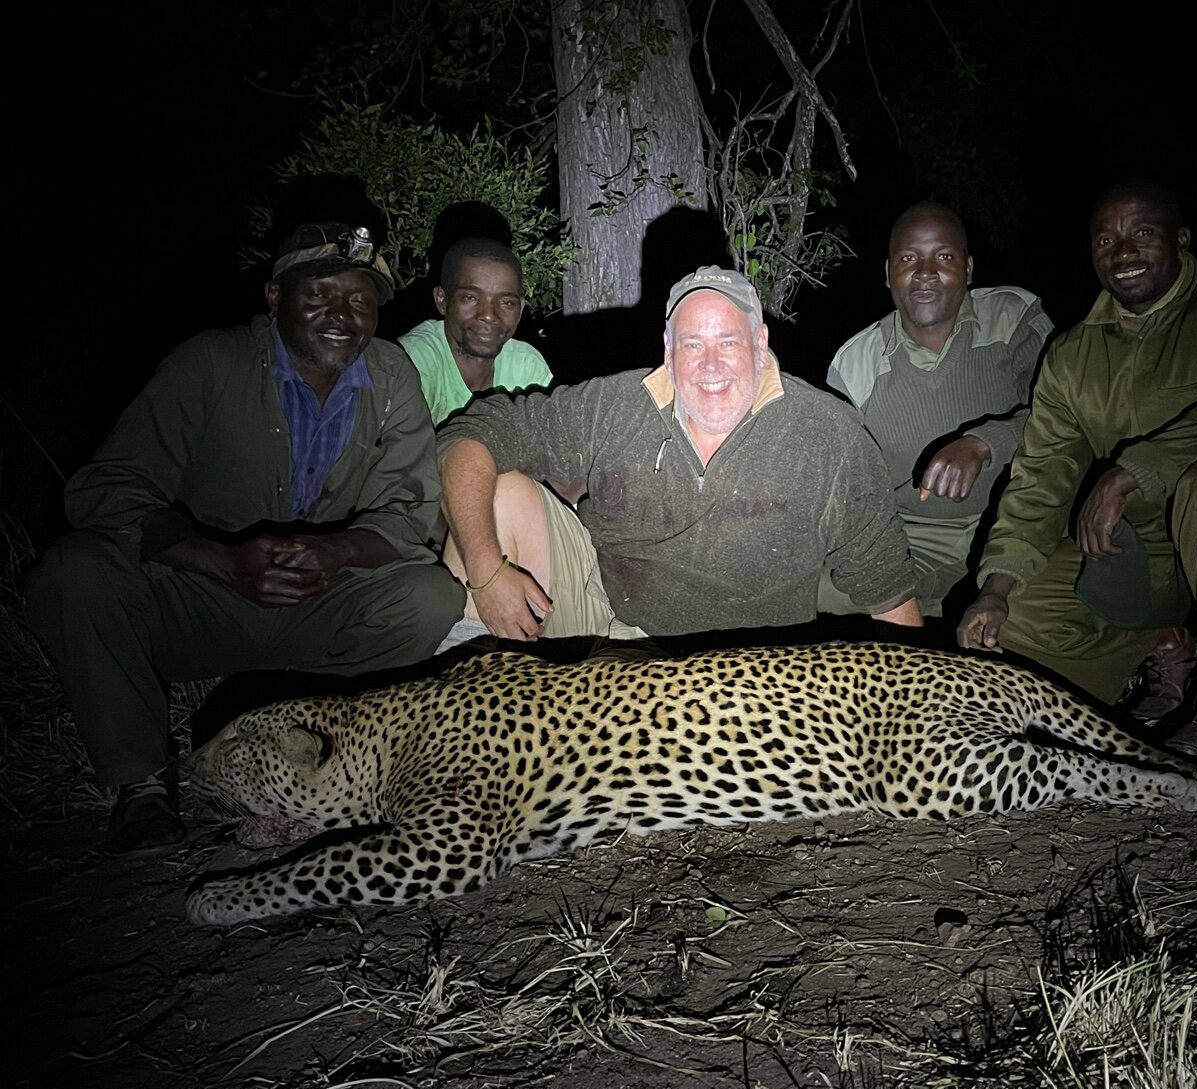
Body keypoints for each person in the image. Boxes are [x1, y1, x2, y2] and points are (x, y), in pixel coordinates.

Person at [27, 222, 465, 857]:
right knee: (75, 569)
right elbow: (103, 491)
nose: (342, 315)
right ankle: (139, 783)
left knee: (428, 596)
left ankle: (336, 757)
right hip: (201, 596)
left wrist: (336, 551)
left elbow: (407, 511)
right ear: (273, 295)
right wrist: (220, 560)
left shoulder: (391, 375)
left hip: (316, 598)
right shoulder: (210, 362)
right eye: (318, 294)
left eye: (360, 300)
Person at [958, 179, 1197, 762]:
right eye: (1106, 239)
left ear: (1182, 240)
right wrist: (996, 587)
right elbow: (1042, 475)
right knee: (1014, 626)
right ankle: (1159, 644)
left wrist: (1127, 474)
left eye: (1143, 233)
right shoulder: (1072, 354)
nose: (1123, 252)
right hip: (1142, 558)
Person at [436, 265, 922, 645]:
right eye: (692, 344)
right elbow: (473, 432)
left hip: (753, 669)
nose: (710, 366)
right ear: (668, 350)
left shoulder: (830, 435)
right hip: (610, 632)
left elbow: (888, 588)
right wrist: (486, 570)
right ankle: (468, 738)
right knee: (495, 494)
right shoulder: (616, 403)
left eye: (728, 342)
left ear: (759, 342)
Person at [825, 202, 1052, 617]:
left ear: (967, 269)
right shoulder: (853, 364)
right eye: (909, 258)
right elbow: (847, 484)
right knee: (806, 590)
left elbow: (1065, 419)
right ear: (888, 273)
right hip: (915, 537)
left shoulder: (1013, 317)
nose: (925, 272)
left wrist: (984, 443)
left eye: (943, 257)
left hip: (1014, 518)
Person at [399, 237, 553, 424]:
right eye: (470, 298)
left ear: (520, 310)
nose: (488, 315)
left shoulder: (527, 366)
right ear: (442, 300)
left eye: (506, 302)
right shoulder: (413, 361)